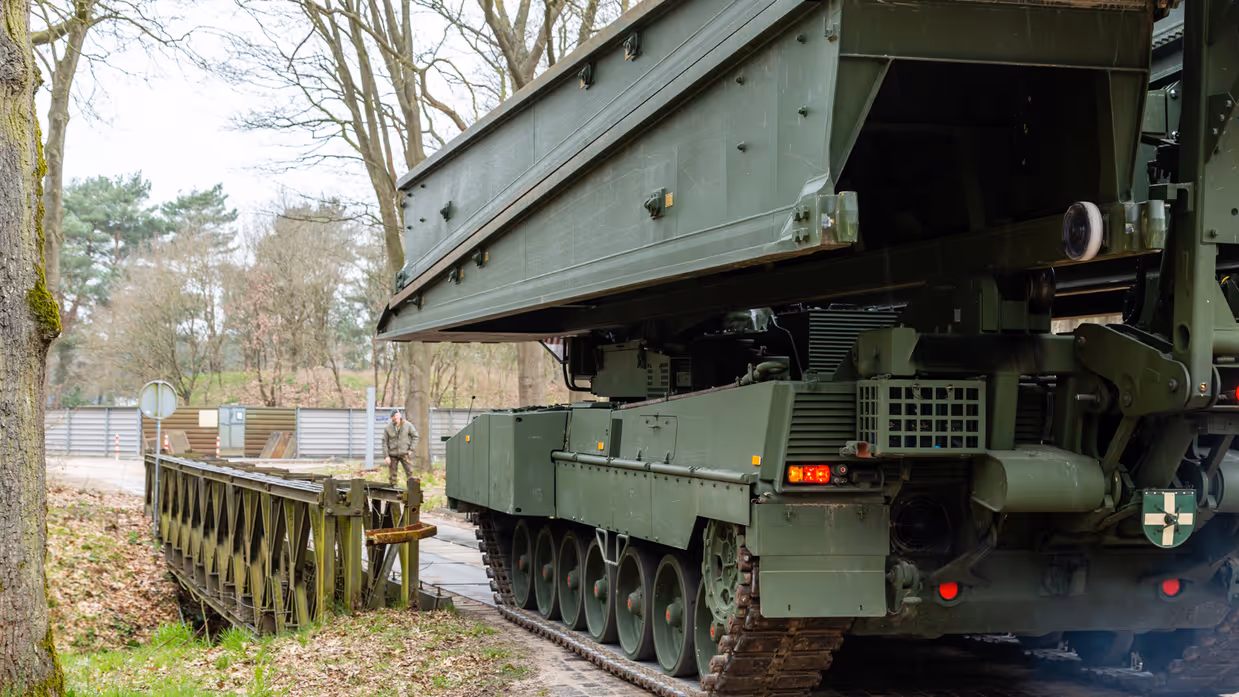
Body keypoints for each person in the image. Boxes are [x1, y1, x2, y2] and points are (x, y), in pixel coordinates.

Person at [383, 410, 418, 486]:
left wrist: (411, 448)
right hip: (392, 454)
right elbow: (384, 442)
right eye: (393, 416)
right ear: (392, 418)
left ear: (400, 415)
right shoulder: (388, 428)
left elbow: (415, 436)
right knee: (392, 476)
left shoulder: (408, 425)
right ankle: (393, 490)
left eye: (396, 415)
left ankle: (412, 491)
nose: (395, 417)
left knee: (410, 473)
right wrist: (386, 456)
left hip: (405, 453)